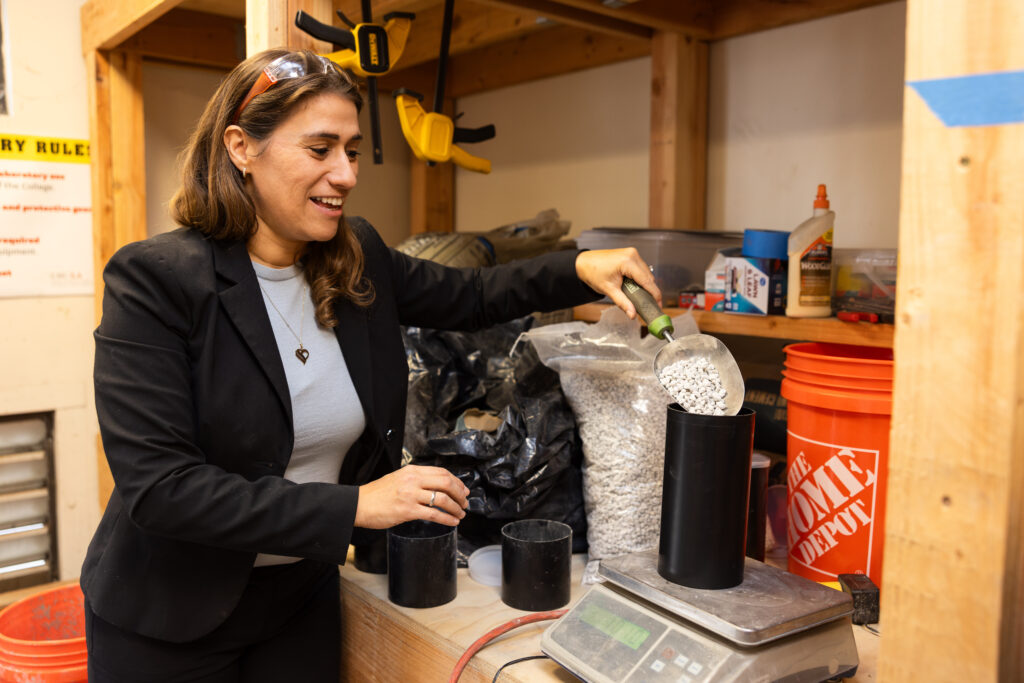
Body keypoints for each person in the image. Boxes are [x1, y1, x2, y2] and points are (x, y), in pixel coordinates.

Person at [82, 48, 662, 682]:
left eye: (352, 151)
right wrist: (356, 505)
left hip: (296, 599)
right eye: (320, 149)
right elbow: (163, 490)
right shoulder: (156, 282)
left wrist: (578, 268)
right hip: (171, 616)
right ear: (241, 148)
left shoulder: (356, 258)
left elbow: (471, 296)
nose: (346, 173)